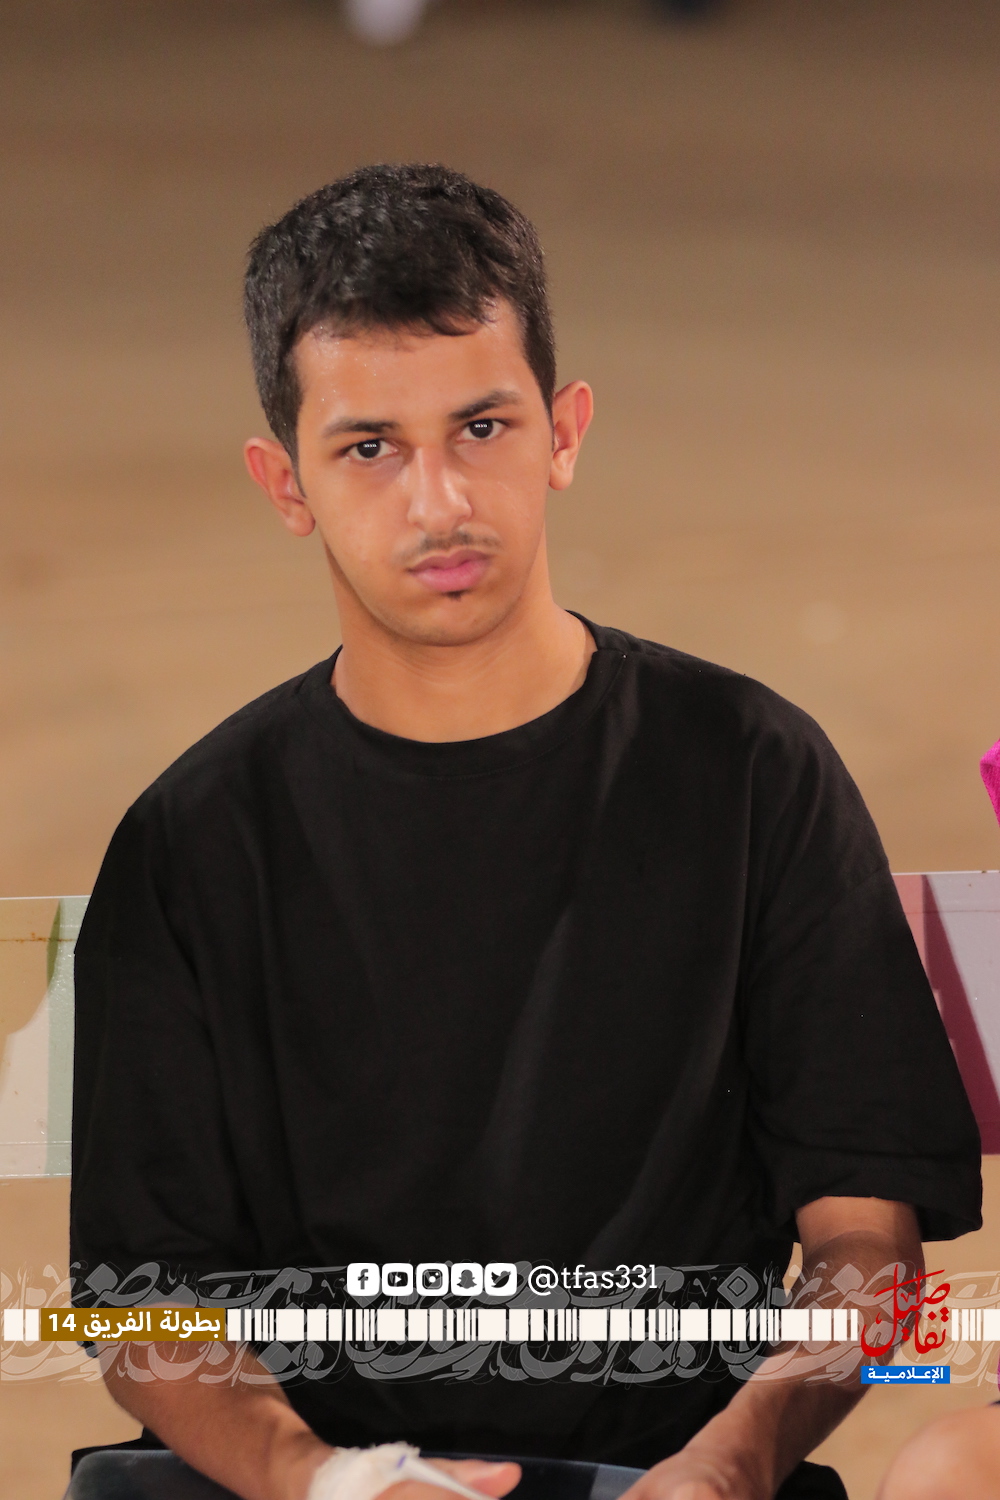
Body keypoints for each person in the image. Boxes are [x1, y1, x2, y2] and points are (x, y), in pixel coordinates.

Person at [70, 163, 981, 1500]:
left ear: (564, 431)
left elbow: (871, 1259)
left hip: (664, 1480)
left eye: (482, 427)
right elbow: (145, 1308)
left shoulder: (753, 773)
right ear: (285, 483)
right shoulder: (192, 842)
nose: (438, 502)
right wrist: (323, 1479)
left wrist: (731, 1461)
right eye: (369, 448)